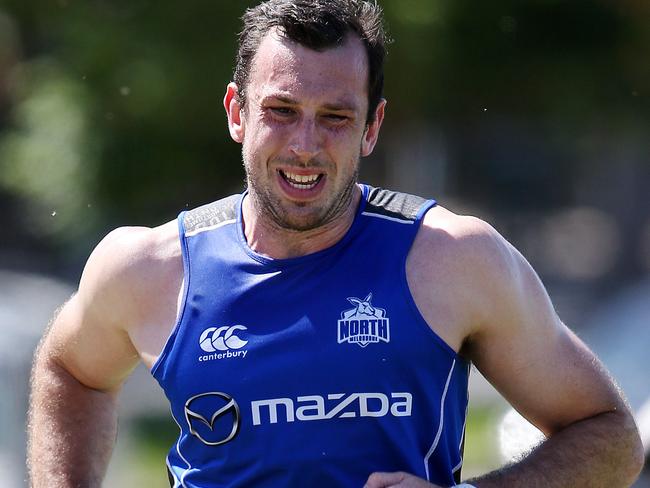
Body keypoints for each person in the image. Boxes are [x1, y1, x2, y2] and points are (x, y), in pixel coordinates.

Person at [27, 0, 644, 487]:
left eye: (335, 117)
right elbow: (70, 371)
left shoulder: (453, 259)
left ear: (372, 127)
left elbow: (611, 436)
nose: (304, 144)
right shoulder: (150, 270)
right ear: (236, 113)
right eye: (281, 110)